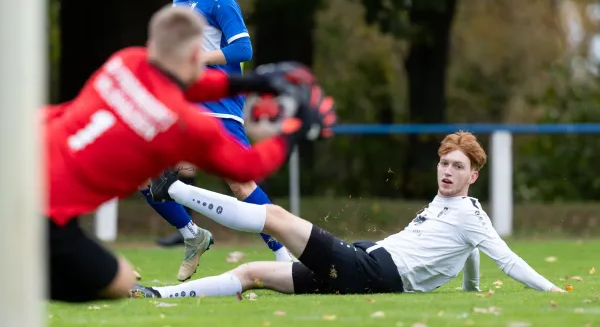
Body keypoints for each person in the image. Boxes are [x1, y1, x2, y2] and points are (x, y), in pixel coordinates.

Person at [45, 5, 332, 303]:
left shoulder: (126, 60)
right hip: (45, 207)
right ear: (198, 56)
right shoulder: (182, 124)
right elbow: (247, 167)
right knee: (122, 282)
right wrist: (293, 132)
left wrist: (255, 82)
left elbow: (189, 84)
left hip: (24, 153)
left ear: (152, 44)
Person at [130, 131, 565, 299]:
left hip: (368, 272)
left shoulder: (471, 214)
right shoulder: (447, 207)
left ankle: (175, 188)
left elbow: (505, 259)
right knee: (250, 273)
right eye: (444, 163)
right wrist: (471, 289)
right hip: (360, 262)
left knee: (276, 217)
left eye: (457, 167)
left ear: (473, 174)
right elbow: (469, 251)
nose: (447, 171)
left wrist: (553, 292)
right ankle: (159, 295)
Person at [141, 0, 295, 280]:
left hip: (219, 104)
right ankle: (192, 234)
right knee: (147, 174)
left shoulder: (220, 0)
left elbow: (243, 50)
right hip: (186, 102)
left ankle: (285, 253)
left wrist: (194, 58)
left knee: (241, 185)